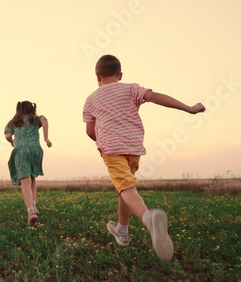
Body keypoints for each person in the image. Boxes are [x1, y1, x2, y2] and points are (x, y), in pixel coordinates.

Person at [83, 54, 206, 260]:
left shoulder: (91, 99)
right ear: (120, 75)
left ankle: (148, 218)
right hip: (133, 148)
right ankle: (122, 231)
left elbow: (89, 131)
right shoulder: (131, 88)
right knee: (126, 188)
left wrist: (101, 140)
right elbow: (156, 97)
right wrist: (189, 108)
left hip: (111, 150)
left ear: (98, 76)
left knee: (127, 188)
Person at [5, 101, 52, 224]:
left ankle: (30, 211)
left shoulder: (13, 122)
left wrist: (12, 142)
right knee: (32, 178)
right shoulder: (35, 119)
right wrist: (46, 138)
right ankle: (34, 205)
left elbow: (8, 136)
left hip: (21, 151)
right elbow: (45, 120)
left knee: (25, 181)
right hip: (36, 150)